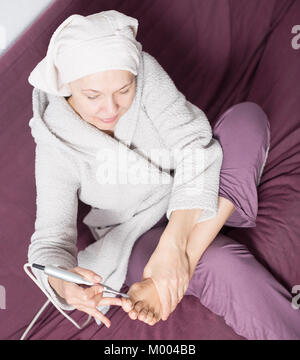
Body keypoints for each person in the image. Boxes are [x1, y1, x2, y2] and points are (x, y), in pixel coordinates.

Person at [27, 10, 300, 339]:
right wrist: (64, 284)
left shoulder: (143, 72)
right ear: (67, 86)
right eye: (93, 97)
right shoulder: (55, 143)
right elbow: (50, 241)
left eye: (123, 91)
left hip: (195, 187)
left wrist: (174, 248)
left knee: (247, 119)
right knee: (223, 264)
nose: (111, 109)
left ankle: (176, 264)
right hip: (137, 234)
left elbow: (194, 145)